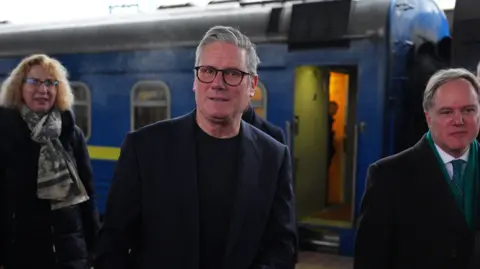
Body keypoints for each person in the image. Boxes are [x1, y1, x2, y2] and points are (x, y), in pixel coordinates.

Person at [95, 26, 297, 269]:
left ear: (252, 85)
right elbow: (112, 245)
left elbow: (282, 246)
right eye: (208, 71)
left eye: (232, 73)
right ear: (195, 80)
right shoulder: (144, 148)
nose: (217, 83)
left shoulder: (273, 157)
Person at [354, 68, 480, 269]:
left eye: (468, 110)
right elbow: (370, 260)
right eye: (447, 112)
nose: (459, 120)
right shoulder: (388, 177)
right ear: (428, 117)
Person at [0, 54, 100, 269]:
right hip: (20, 254)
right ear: (19, 87)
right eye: (34, 82)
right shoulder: (5, 132)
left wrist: (94, 249)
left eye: (50, 83)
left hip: (70, 255)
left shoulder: (71, 134)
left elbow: (88, 197)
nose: (43, 90)